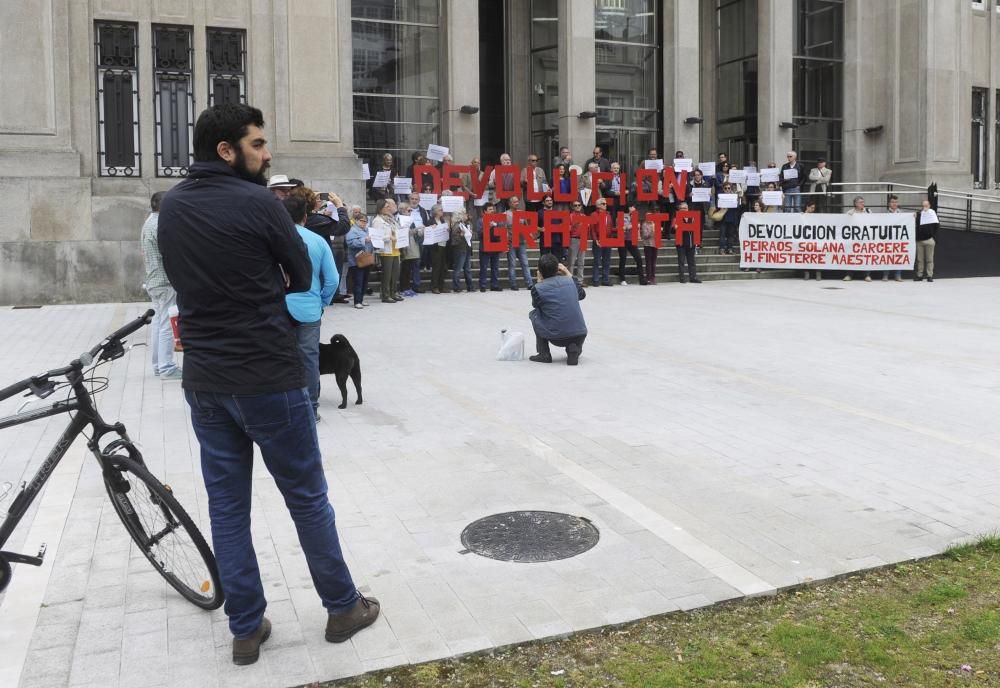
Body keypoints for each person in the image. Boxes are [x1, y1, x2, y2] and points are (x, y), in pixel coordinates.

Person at [157, 103, 379, 665]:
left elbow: (181, 279)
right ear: (226, 151)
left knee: (227, 509)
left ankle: (246, 628)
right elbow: (301, 276)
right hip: (267, 376)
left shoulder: (173, 207)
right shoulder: (260, 203)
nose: (268, 153)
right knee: (307, 498)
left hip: (206, 379)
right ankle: (342, 607)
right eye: (257, 144)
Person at [282, 195, 338, 420]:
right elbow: (332, 279)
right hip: (309, 309)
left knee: (279, 357)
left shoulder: (271, 240)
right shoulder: (318, 241)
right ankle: (310, 408)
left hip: (277, 308)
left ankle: (284, 406)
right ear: (305, 217)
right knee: (309, 359)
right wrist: (322, 301)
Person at [140, 191, 182, 380]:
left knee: (158, 323)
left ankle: (158, 365)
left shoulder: (149, 222)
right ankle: (166, 367)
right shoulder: (160, 225)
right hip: (165, 281)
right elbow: (171, 253)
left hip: (154, 280)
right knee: (166, 324)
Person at [528, 254, 588, 366]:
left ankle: (544, 353)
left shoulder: (537, 288)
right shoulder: (571, 282)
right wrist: (567, 272)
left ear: (539, 271)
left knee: (534, 314)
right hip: (580, 334)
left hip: (556, 337)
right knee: (574, 340)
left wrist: (539, 282)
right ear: (558, 268)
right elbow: (582, 295)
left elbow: (536, 305)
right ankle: (574, 349)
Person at [372, 198, 404, 302]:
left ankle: (393, 293)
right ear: (380, 208)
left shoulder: (390, 218)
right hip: (386, 250)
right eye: (386, 207)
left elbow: (398, 229)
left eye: (389, 206)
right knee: (387, 274)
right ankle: (385, 295)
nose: (389, 208)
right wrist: (389, 237)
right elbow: (376, 237)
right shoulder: (377, 220)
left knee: (395, 274)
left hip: (395, 249)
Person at [345, 212, 374, 308]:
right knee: (358, 281)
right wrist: (364, 240)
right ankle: (357, 301)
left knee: (365, 281)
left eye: (366, 221)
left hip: (366, 259)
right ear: (356, 221)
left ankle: (361, 299)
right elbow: (350, 243)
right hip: (356, 260)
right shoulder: (352, 230)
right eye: (362, 221)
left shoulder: (366, 230)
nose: (364, 223)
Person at [505, 195, 534, 291]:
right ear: (509, 203)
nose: (516, 203)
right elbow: (503, 229)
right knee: (512, 264)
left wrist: (529, 234)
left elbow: (526, 226)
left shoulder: (522, 213)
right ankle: (513, 284)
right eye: (514, 202)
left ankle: (529, 283)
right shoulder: (505, 214)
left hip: (521, 242)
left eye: (517, 201)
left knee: (525, 263)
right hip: (511, 242)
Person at [616, 205, 646, 285]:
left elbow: (637, 228)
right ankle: (622, 279)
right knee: (623, 258)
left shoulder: (635, 217)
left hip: (632, 240)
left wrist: (638, 235)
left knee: (639, 258)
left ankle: (642, 279)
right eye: (632, 207)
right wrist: (632, 225)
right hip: (623, 240)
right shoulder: (622, 216)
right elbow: (623, 227)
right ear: (629, 208)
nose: (634, 209)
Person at [844, 196, 872, 282]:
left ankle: (867, 275)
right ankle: (849, 274)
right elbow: (844, 223)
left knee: (865, 256)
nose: (862, 204)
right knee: (851, 256)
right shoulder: (850, 212)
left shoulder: (868, 211)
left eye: (863, 202)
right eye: (860, 202)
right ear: (855, 204)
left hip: (865, 238)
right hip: (853, 238)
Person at [673, 202, 701, 283]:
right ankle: (682, 278)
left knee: (691, 262)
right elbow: (671, 231)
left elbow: (697, 230)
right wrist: (675, 228)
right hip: (681, 244)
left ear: (688, 209)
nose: (684, 210)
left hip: (690, 243)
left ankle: (693, 277)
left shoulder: (692, 217)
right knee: (681, 261)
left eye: (685, 208)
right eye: (682, 208)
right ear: (679, 209)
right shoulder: (676, 218)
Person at [478, 201, 503, 291]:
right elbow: (480, 234)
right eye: (490, 209)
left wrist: (496, 225)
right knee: (484, 267)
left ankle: (494, 285)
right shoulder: (481, 220)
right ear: (485, 211)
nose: (492, 211)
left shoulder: (497, 219)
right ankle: (483, 285)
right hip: (485, 247)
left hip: (495, 246)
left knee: (495, 267)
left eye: (493, 209)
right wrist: (488, 226)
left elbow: (501, 230)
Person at [590, 198, 614, 287]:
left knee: (607, 261)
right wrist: (595, 239)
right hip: (598, 240)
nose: (605, 205)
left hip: (607, 240)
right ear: (598, 205)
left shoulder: (608, 215)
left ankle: (605, 279)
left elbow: (610, 228)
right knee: (597, 261)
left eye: (606, 203)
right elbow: (592, 229)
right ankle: (596, 280)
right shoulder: (594, 214)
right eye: (603, 204)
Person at [450, 209, 474, 292]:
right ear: (459, 215)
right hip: (460, 249)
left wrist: (470, 232)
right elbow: (454, 240)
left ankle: (470, 286)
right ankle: (456, 287)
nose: (466, 215)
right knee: (458, 268)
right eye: (464, 213)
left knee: (468, 269)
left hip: (467, 248)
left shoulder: (468, 224)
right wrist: (460, 235)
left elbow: (470, 235)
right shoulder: (456, 225)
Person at [427, 203, 449, 293]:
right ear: (435, 211)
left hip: (443, 245)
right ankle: (434, 286)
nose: (442, 211)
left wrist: (447, 230)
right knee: (436, 267)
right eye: (440, 210)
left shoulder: (443, 220)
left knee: (443, 266)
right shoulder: (430, 221)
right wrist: (432, 229)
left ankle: (441, 286)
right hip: (435, 247)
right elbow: (427, 233)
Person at [915, 199, 938, 282]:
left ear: (929, 206)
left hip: (929, 240)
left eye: (926, 205)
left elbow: (936, 226)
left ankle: (929, 276)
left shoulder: (933, 215)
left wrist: (933, 237)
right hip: (920, 240)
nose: (925, 207)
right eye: (923, 205)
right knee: (920, 259)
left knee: (929, 259)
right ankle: (920, 275)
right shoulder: (919, 214)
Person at [883, 195, 904, 282]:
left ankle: (898, 275)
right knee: (887, 257)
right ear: (889, 204)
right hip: (888, 238)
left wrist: (913, 216)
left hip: (899, 239)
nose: (894, 204)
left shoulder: (902, 214)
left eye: (896, 202)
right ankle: (885, 275)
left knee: (899, 256)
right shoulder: (884, 214)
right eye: (892, 202)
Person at [567, 200, 589, 282]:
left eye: (579, 205)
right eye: (575, 205)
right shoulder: (570, 216)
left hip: (583, 239)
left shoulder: (584, 216)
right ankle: (570, 280)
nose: (577, 207)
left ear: (581, 206)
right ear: (572, 207)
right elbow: (568, 229)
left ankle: (580, 280)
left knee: (581, 261)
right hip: (574, 239)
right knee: (571, 261)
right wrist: (575, 224)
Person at [801, 199, 822, 280]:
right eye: (812, 208)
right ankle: (806, 272)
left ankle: (818, 272)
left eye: (814, 208)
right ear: (807, 207)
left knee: (817, 255)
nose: (813, 210)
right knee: (805, 255)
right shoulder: (802, 215)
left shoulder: (816, 216)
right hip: (805, 240)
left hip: (814, 239)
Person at [639, 218, 658, 285]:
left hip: (655, 244)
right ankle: (648, 278)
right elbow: (645, 236)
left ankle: (653, 278)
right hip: (647, 245)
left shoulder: (655, 223)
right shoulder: (644, 224)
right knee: (648, 262)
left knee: (653, 262)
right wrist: (652, 231)